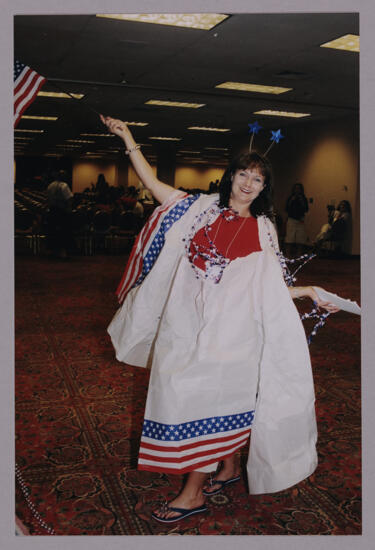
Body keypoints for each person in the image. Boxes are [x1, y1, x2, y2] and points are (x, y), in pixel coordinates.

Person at [100, 114, 339, 524]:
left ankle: (192, 493)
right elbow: (154, 186)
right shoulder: (199, 209)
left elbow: (269, 284)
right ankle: (227, 467)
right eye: (243, 173)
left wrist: (309, 292)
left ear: (265, 188)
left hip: (234, 333)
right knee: (197, 390)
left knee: (205, 396)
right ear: (231, 176)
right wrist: (129, 138)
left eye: (258, 179)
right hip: (187, 321)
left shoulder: (264, 229)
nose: (248, 183)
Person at [46, 170, 73, 259]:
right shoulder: (64, 185)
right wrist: (69, 209)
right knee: (63, 232)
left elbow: (48, 199)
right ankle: (62, 252)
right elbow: (69, 199)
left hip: (52, 211)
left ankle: (54, 251)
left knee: (53, 232)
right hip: (61, 212)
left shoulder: (50, 185)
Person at [284, 183, 309, 257]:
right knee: (289, 238)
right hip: (291, 219)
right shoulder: (290, 198)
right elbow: (286, 209)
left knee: (300, 239)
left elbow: (306, 209)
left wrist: (302, 201)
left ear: (301, 190)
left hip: (300, 220)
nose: (297, 190)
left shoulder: (303, 198)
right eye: (296, 188)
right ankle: (288, 255)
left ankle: (298, 255)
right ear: (293, 190)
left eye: (299, 189)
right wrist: (291, 201)